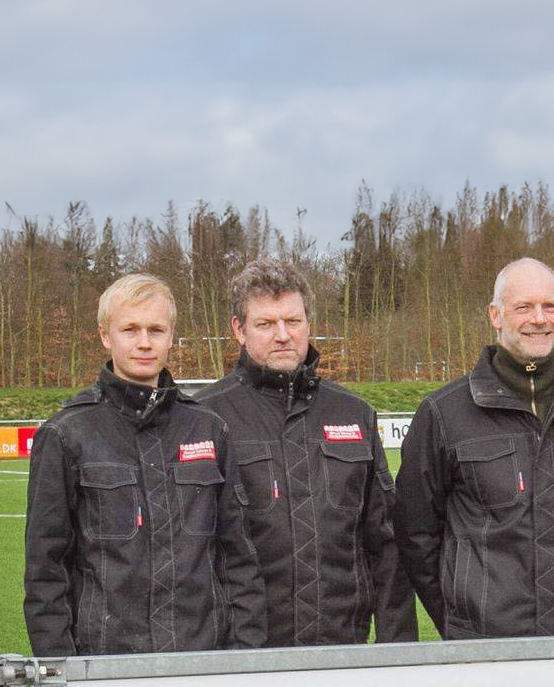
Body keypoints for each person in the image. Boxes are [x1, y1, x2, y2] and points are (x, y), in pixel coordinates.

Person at [392, 257, 554, 638]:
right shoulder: (444, 413)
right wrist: (460, 614)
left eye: (550, 307)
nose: (539, 319)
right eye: (524, 307)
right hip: (485, 643)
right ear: (496, 315)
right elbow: (416, 532)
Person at [23, 273, 267, 655]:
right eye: (130, 329)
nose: (144, 342)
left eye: (156, 330)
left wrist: (245, 652)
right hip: (107, 665)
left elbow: (238, 556)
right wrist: (61, 669)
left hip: (202, 660)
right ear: (106, 335)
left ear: (172, 337)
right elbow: (45, 571)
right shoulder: (66, 434)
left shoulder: (208, 428)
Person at [195, 258, 416, 646]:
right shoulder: (206, 419)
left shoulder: (354, 414)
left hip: (342, 652)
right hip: (242, 660)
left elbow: (385, 546)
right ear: (239, 330)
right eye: (266, 324)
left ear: (308, 324)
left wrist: (398, 651)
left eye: (292, 322)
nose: (282, 335)